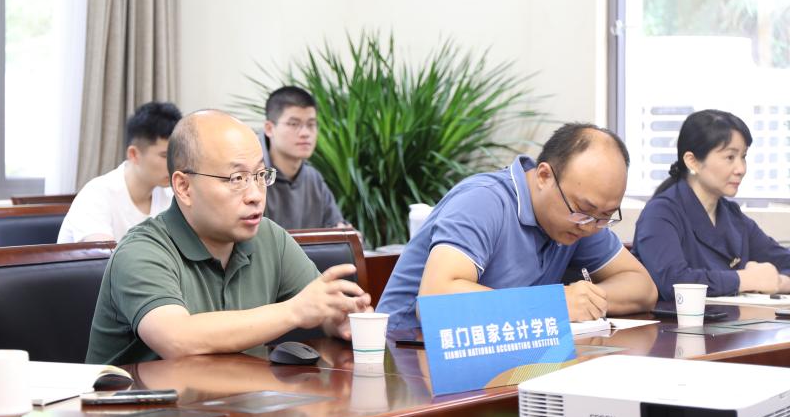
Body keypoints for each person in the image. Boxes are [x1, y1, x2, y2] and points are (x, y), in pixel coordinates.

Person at [86, 110, 371, 365]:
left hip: (234, 402)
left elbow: (320, 307)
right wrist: (295, 312)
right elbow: (177, 339)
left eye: (260, 175)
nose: (255, 195)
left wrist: (339, 319)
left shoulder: (269, 237)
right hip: (137, 406)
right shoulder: (141, 250)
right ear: (184, 187)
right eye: (237, 179)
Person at [376, 123, 657, 330]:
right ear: (544, 176)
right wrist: (553, 304)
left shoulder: (580, 222)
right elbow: (436, 300)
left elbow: (642, 288)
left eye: (605, 215)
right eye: (583, 209)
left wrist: (585, 301)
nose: (591, 226)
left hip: (504, 359)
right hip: (406, 360)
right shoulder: (483, 201)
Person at [632, 109, 790, 300]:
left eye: (743, 156)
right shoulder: (660, 213)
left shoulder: (732, 216)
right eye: (730, 157)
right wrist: (745, 280)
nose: (741, 169)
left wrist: (780, 283)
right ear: (692, 161)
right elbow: (673, 281)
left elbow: (783, 260)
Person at [58, 101, 182, 243]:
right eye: (165, 156)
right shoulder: (96, 195)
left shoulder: (170, 195)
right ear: (134, 154)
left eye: (177, 154)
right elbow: (102, 254)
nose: (175, 163)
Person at [260, 86, 348, 230]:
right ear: (269, 129)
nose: (305, 133)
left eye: (311, 124)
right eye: (294, 124)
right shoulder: (253, 176)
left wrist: (345, 232)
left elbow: (336, 226)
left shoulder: (313, 179)